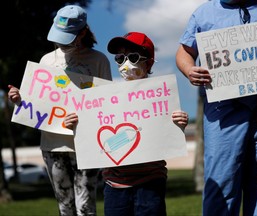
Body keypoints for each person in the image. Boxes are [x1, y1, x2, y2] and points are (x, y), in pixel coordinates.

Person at [176, 0, 257, 216]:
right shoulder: (204, 14)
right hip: (222, 111)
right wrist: (190, 70)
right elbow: (184, 52)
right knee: (221, 179)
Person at [64, 32, 189, 216]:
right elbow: (93, 133)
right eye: (120, 58)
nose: (125, 64)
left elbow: (168, 132)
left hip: (151, 182)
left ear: (148, 61)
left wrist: (179, 121)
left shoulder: (161, 97)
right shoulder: (103, 97)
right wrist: (75, 124)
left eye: (132, 57)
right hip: (115, 185)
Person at [8, 5, 112, 216]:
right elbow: (35, 104)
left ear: (82, 32)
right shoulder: (47, 60)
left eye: (68, 38)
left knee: (85, 207)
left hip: (86, 146)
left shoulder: (98, 60)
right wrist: (19, 100)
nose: (62, 44)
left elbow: (108, 104)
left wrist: (84, 118)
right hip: (52, 146)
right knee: (64, 207)